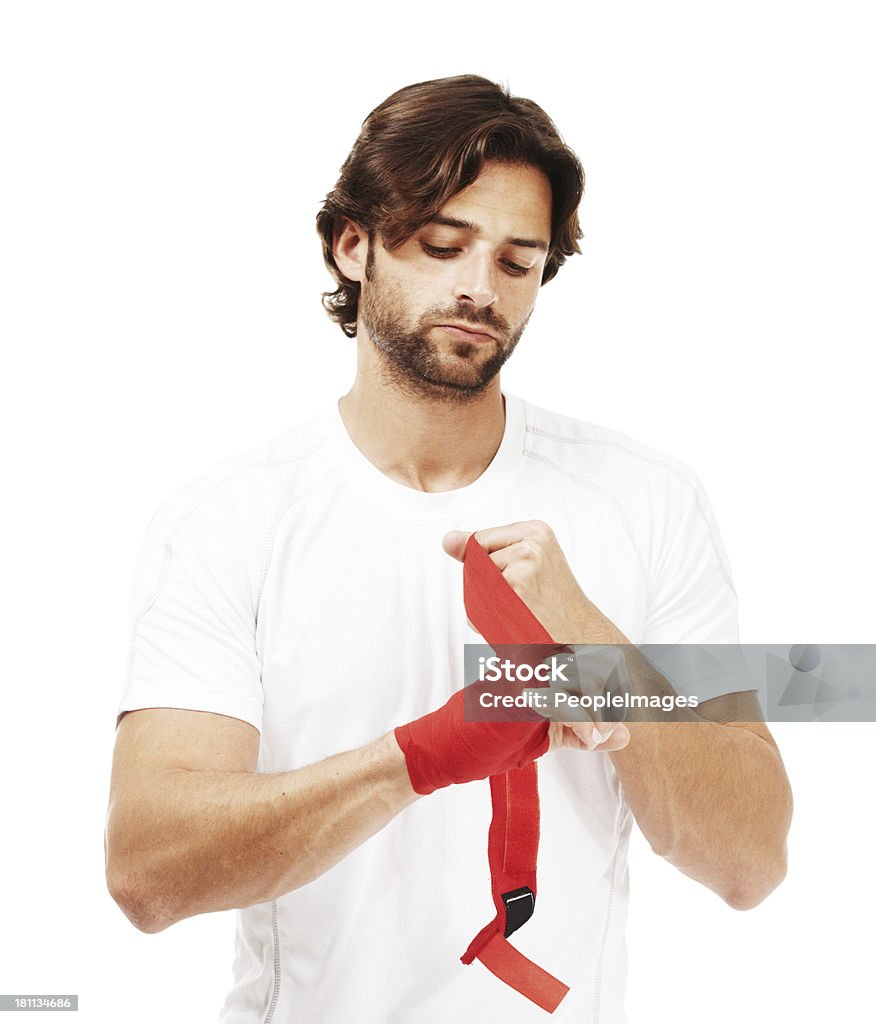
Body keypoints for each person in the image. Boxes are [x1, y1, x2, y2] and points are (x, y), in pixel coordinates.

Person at [106, 75, 792, 1023]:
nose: (479, 287)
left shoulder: (647, 500)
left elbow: (752, 861)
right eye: (442, 245)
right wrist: (422, 756)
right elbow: (148, 872)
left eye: (518, 262)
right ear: (352, 246)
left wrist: (600, 659)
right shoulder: (232, 519)